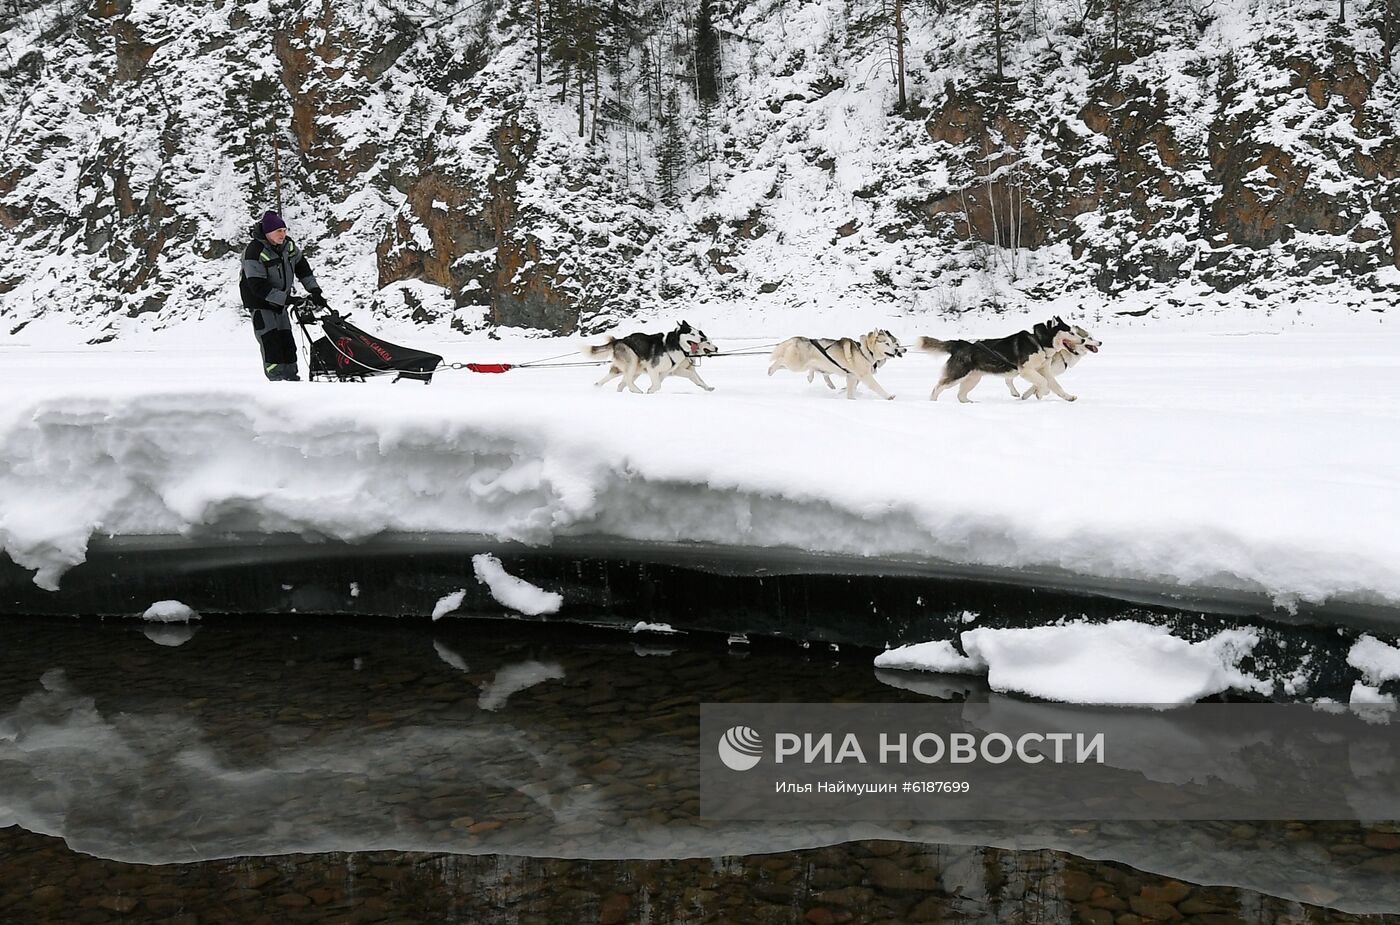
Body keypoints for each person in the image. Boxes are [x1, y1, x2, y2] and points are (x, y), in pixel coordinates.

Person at [239, 211, 329, 381]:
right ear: (267, 232)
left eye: (284, 230)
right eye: (278, 231)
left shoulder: (289, 247)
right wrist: (288, 299)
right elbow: (258, 287)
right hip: (261, 304)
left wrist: (315, 291)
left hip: (280, 305)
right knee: (271, 343)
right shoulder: (254, 252)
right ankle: (277, 381)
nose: (283, 234)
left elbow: (303, 269)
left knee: (287, 342)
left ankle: (292, 378)